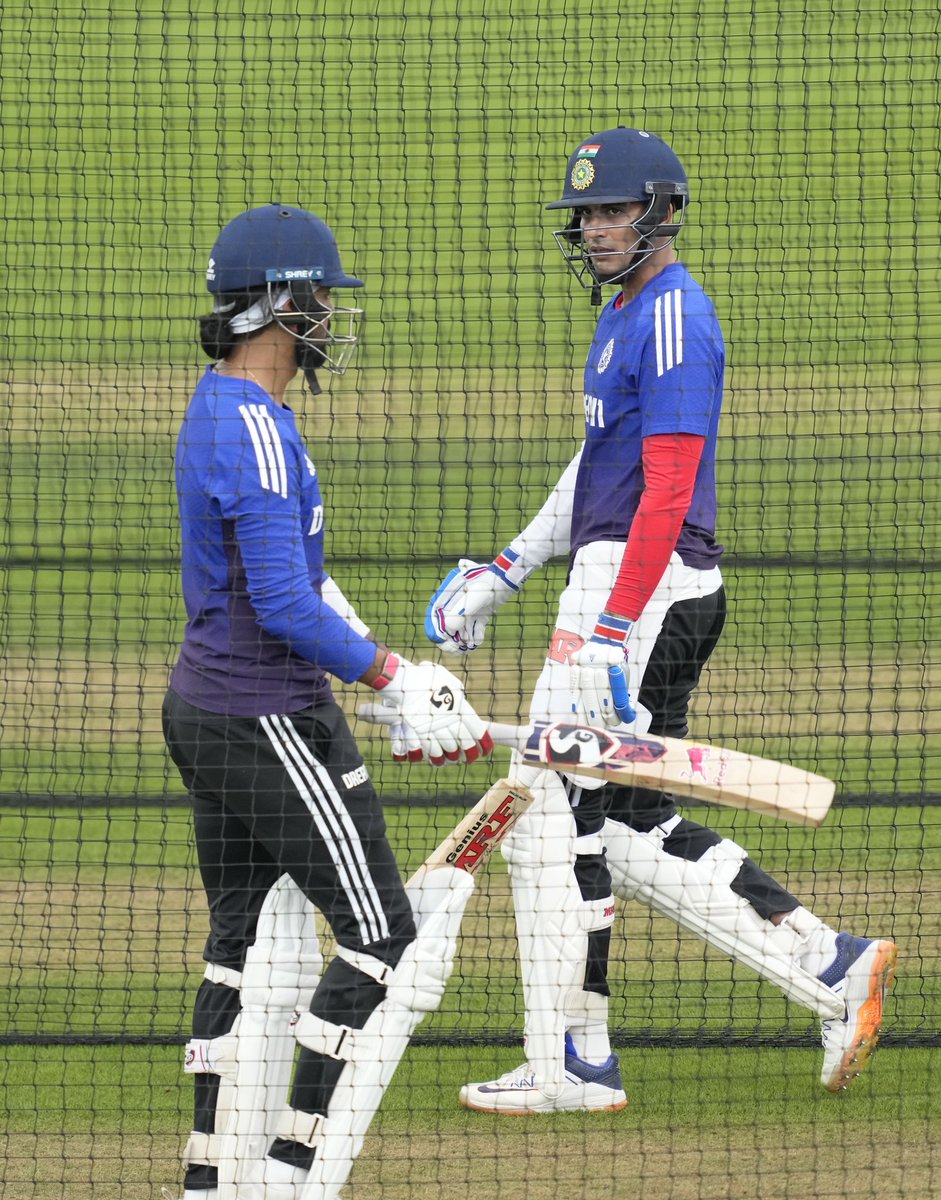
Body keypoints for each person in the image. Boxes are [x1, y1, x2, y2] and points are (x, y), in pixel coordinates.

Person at [422, 128, 898, 1112]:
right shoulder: (623, 314)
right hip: (624, 584)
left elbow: (668, 491)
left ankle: (571, 1061)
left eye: (614, 210)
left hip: (644, 587)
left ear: (661, 211)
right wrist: (507, 569)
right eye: (586, 214)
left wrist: (609, 631)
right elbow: (599, 466)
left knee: (546, 810)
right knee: (624, 823)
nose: (596, 228)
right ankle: (828, 962)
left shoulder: (675, 317)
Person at [161, 203, 493, 1200]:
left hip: (206, 711)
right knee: (379, 935)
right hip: (267, 718)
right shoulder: (257, 433)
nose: (328, 318)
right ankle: (290, 1171)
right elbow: (280, 604)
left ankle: (209, 1181)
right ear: (281, 304)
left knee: (235, 941)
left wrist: (389, 683)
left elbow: (293, 587)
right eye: (319, 300)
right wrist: (394, 678)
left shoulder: (219, 408)